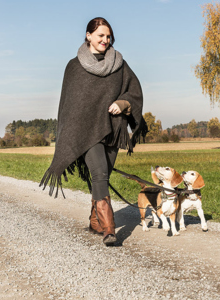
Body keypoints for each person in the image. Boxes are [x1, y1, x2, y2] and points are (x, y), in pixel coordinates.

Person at [40, 17, 147, 246]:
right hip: (86, 133)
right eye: (100, 36)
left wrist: (123, 104)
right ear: (88, 35)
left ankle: (94, 221)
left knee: (103, 176)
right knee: (99, 174)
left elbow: (134, 92)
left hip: (113, 130)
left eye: (108, 36)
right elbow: (70, 106)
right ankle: (109, 229)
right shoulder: (74, 67)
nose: (105, 40)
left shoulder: (119, 64)